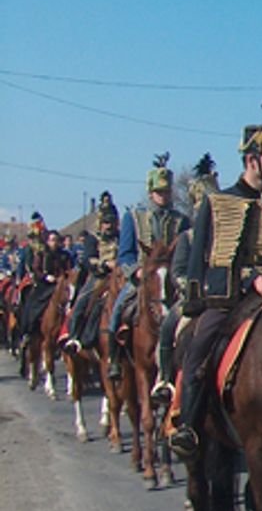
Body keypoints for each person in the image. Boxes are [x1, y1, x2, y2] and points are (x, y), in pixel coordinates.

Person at [170, 102, 262, 459]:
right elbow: (207, 262)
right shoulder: (219, 203)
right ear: (252, 160)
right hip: (235, 298)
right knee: (197, 349)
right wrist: (252, 279)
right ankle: (188, 424)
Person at [109, 154, 191, 365]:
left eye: (166, 191)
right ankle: (114, 358)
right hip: (142, 277)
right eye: (158, 192)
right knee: (118, 309)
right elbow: (125, 253)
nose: (163, 196)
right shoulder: (134, 217)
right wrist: (135, 270)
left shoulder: (181, 221)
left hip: (172, 277)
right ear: (150, 193)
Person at [151, 153, 220, 403]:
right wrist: (197, 287)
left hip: (225, 296)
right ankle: (166, 379)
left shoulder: (227, 235)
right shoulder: (187, 238)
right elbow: (178, 272)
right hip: (194, 299)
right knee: (170, 326)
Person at [61, 193, 120, 355]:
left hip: (120, 276)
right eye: (106, 222)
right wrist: (105, 264)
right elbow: (88, 259)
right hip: (99, 277)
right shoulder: (92, 239)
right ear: (101, 223)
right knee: (82, 301)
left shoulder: (121, 237)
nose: (109, 226)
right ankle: (74, 336)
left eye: (111, 222)